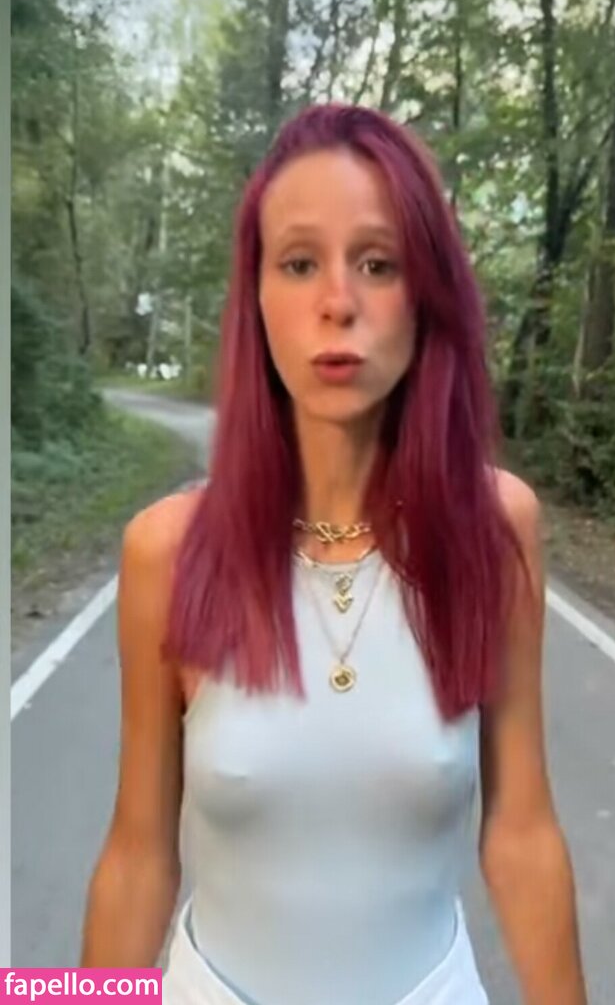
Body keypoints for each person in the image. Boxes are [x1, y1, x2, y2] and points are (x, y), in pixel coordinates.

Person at [79, 103, 588, 1005]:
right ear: (257, 297)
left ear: (425, 295)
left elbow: (521, 833)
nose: (337, 302)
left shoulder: (496, 527)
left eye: (378, 263)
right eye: (299, 262)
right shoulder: (167, 550)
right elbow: (137, 856)